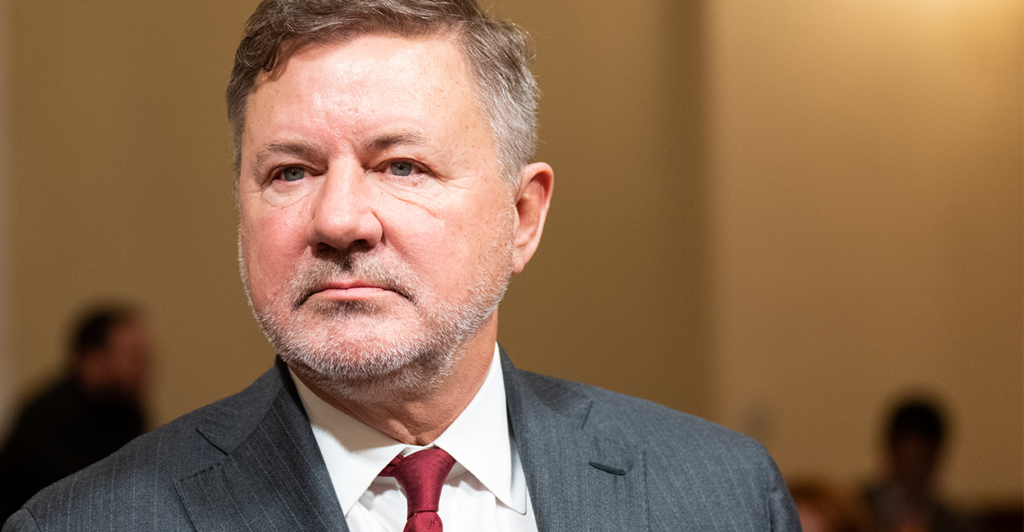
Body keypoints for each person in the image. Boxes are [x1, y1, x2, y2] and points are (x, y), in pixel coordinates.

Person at [4, 1, 800, 530]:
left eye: (402, 166)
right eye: (290, 172)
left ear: (522, 217)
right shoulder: (88, 523)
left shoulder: (720, 496)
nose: (340, 219)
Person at [0, 304, 150, 522]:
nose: (144, 365)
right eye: (133, 355)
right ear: (92, 360)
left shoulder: (128, 410)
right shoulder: (46, 420)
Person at [862, 398, 976, 532]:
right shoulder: (855, 510)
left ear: (935, 458)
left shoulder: (956, 523)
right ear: (891, 453)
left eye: (921, 462)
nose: (913, 472)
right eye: (907, 461)